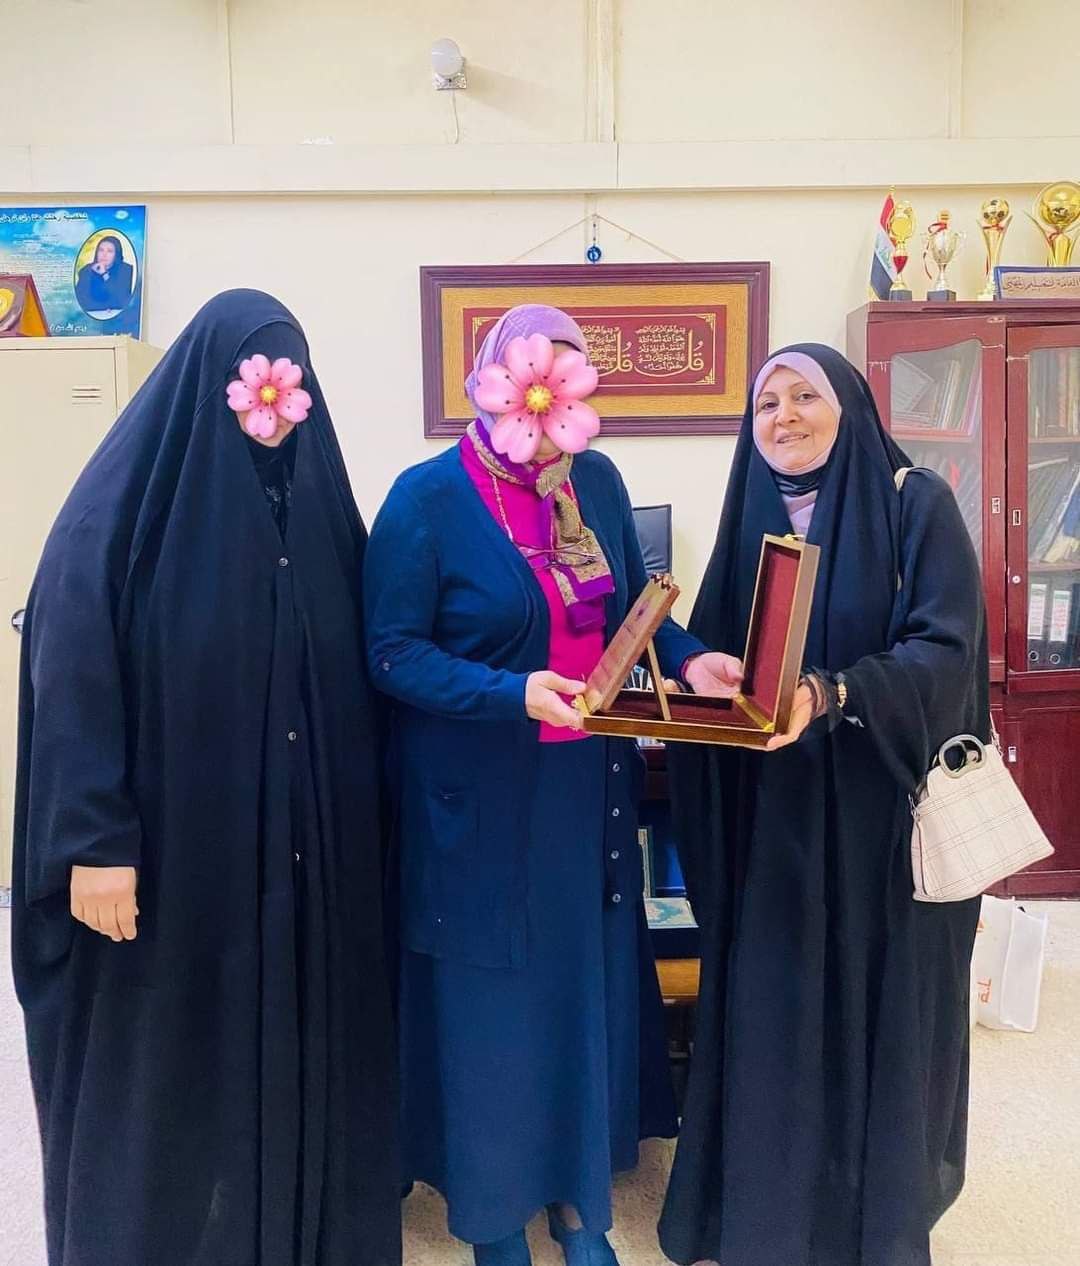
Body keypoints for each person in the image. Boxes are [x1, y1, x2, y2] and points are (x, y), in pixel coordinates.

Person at [11, 289, 400, 1266]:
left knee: (289, 1048)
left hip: (299, 857)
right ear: (206, 387)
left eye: (289, 391)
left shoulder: (319, 514)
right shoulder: (116, 520)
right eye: (254, 389)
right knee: (170, 1061)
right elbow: (70, 674)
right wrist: (93, 841)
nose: (272, 413)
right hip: (167, 856)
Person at [363, 304, 741, 1266]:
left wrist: (689, 658)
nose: (547, 403)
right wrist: (510, 691)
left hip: (585, 789)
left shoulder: (595, 480)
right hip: (477, 802)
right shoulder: (427, 498)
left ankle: (580, 1204)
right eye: (534, 379)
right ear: (495, 381)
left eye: (567, 381)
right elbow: (391, 653)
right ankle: (494, 1219)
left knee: (581, 993)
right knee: (490, 1009)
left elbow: (634, 608)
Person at [658, 345, 989, 1266]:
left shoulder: (914, 504)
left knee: (873, 1009)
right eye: (766, 403)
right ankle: (760, 1219)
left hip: (879, 822)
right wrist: (696, 678)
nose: (785, 416)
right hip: (777, 824)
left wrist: (831, 695)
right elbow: (721, 656)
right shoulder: (752, 517)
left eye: (806, 395)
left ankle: (867, 1226)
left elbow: (945, 650)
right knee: (773, 1008)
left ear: (850, 407)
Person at [74, 234, 133, 317]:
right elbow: (81, 302)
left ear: (116, 254)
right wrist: (106, 306)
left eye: (109, 251)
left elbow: (122, 301)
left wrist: (104, 274)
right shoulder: (86, 270)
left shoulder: (126, 270)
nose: (104, 255)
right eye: (101, 250)